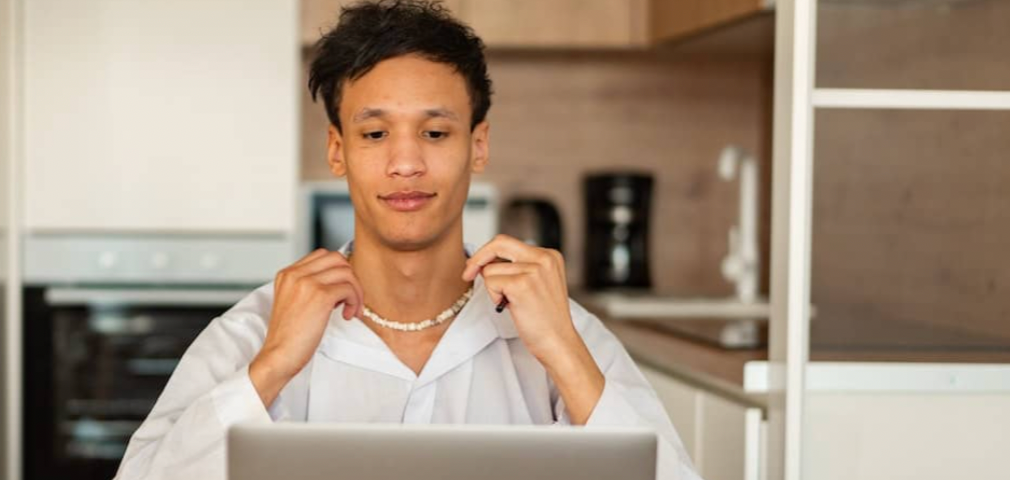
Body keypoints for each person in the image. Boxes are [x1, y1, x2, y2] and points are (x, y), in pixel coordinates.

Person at [114, 1, 701, 479]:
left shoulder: (558, 330)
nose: (405, 163)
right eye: (374, 133)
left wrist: (568, 358)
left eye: (435, 131)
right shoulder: (253, 332)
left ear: (478, 145)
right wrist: (270, 368)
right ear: (338, 151)